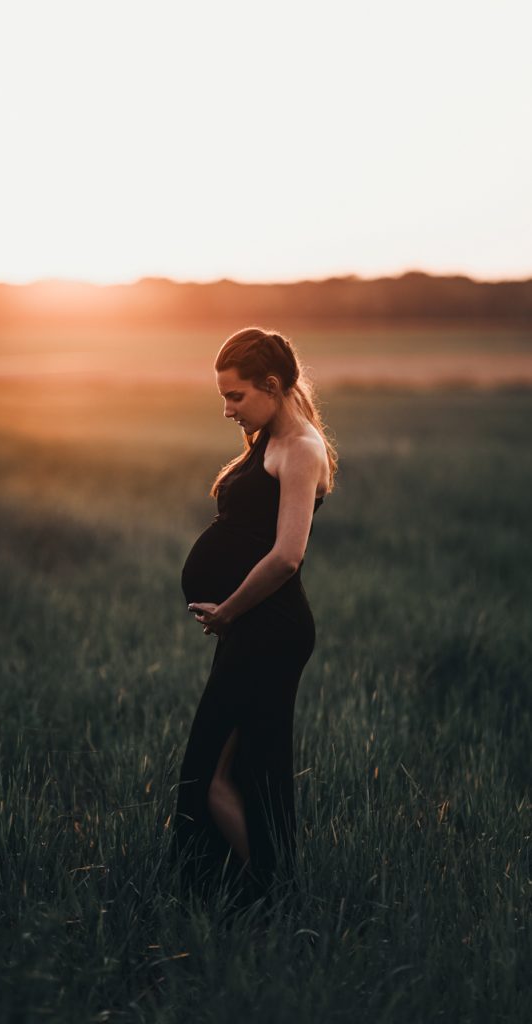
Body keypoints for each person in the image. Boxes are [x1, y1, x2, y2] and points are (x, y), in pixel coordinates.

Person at [170, 326, 338, 909]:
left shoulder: (301, 449)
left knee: (212, 772)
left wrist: (228, 614)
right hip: (253, 627)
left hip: (269, 630)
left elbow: (288, 555)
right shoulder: (268, 440)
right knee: (237, 767)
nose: (226, 409)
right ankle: (245, 894)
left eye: (236, 396)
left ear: (273, 385)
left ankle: (271, 898)